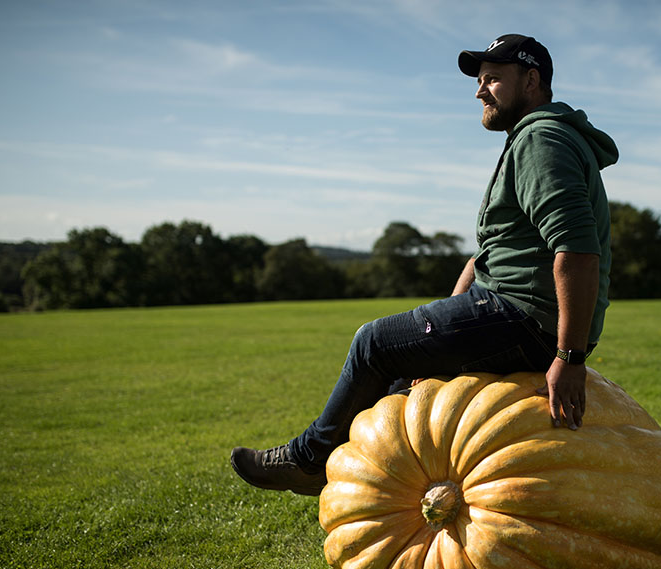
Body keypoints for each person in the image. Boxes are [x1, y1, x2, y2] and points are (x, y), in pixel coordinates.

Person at [231, 34, 618, 496]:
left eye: (493, 79)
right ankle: (383, 488)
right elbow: (487, 255)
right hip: (511, 312)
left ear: (532, 80)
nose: (479, 91)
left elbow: (575, 250)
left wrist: (569, 358)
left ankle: (309, 460)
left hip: (528, 320)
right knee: (399, 378)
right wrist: (442, 336)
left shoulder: (541, 139)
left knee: (373, 343)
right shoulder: (532, 139)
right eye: (479, 81)